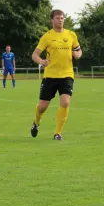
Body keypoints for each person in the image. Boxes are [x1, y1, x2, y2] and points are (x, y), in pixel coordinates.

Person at [30, 9, 82, 141]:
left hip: (67, 75)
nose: (60, 20)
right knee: (42, 107)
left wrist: (77, 54)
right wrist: (41, 61)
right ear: (52, 20)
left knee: (65, 102)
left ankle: (57, 133)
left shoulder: (71, 35)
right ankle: (36, 123)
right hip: (50, 76)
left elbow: (78, 50)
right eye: (58, 18)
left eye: (62, 17)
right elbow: (35, 55)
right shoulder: (47, 36)